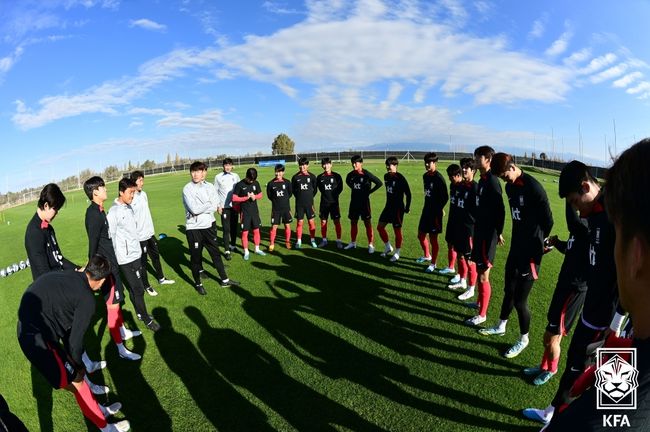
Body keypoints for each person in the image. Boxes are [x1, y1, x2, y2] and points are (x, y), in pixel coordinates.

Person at [545, 139, 650, 430]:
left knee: (579, 367)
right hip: (601, 316)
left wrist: (616, 322)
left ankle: (555, 410)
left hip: (602, 318)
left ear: (635, 254)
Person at [523, 160, 622, 425]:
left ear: (585, 186)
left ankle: (557, 418)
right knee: (578, 371)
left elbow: (629, 275)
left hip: (607, 322)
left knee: (602, 384)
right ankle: (554, 414)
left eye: (575, 201)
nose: (576, 209)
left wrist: (617, 323)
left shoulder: (615, 219)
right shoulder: (595, 219)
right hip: (594, 311)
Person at [17, 255, 130, 432]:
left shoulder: (73, 274)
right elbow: (75, 342)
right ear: (100, 281)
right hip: (37, 341)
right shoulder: (87, 300)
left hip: (33, 329)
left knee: (76, 381)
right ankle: (106, 428)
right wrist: (78, 366)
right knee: (78, 381)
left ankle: (98, 409)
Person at [24, 183, 109, 395]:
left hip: (61, 283)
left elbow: (59, 259)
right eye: (55, 209)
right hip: (51, 299)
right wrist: (70, 282)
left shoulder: (48, 228)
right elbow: (43, 273)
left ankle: (86, 365)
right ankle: (86, 383)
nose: (56, 214)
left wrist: (78, 271)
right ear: (45, 205)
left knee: (76, 335)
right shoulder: (34, 233)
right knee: (71, 346)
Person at [478, 153, 554, 359]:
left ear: (512, 167)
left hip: (531, 254)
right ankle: (501, 325)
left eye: (504, 176)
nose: (504, 180)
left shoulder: (534, 187)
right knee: (508, 290)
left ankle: (524, 339)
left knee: (520, 301)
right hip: (516, 248)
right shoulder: (510, 187)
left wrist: (539, 243)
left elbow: (548, 221)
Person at [522, 202, 588, 386]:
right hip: (564, 284)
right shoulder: (581, 227)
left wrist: (567, 198)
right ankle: (544, 365)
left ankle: (552, 369)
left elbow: (573, 223)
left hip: (574, 290)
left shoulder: (588, 227)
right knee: (550, 335)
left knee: (552, 337)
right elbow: (572, 248)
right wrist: (557, 242)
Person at [84, 177, 142, 361]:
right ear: (95, 192)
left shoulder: (100, 211)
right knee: (113, 306)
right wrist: (92, 270)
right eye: (102, 187)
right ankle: (120, 349)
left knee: (118, 301)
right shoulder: (92, 214)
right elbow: (92, 245)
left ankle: (122, 331)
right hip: (106, 269)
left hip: (113, 264)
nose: (106, 189)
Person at [106, 178, 161, 332]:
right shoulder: (113, 212)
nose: (133, 196)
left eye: (134, 193)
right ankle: (146, 318)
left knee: (134, 289)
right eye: (130, 193)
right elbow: (112, 238)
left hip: (136, 254)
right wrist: (116, 260)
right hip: (125, 259)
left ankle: (139, 312)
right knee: (138, 289)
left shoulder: (129, 207)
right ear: (121, 192)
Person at [182, 161, 240, 295]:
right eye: (193, 171)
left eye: (199, 171)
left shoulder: (209, 186)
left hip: (208, 226)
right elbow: (194, 210)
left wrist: (209, 206)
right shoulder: (187, 189)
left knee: (215, 254)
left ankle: (224, 280)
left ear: (204, 173)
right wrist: (208, 205)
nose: (196, 174)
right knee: (196, 258)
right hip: (194, 228)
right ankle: (198, 283)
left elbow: (215, 205)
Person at [465, 146, 506, 327]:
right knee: (480, 272)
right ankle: (480, 302)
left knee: (483, 276)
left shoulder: (492, 182)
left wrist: (499, 231)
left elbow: (501, 210)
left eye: (478, 156)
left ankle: (482, 315)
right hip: (480, 232)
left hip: (488, 235)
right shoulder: (482, 180)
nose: (474, 159)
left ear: (488, 159)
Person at [130, 170, 175, 297]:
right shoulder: (131, 197)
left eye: (142, 180)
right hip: (140, 236)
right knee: (143, 262)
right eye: (140, 180)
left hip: (149, 233)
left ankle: (161, 278)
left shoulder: (144, 194)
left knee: (155, 256)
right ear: (134, 182)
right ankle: (146, 285)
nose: (142, 183)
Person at [448, 159, 478, 304]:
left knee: (470, 260)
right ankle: (462, 280)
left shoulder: (476, 188)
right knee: (459, 255)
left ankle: (471, 289)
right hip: (458, 227)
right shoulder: (459, 186)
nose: (464, 170)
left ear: (474, 171)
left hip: (469, 230)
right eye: (463, 167)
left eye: (467, 168)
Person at [416, 153, 448, 270]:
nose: (427, 164)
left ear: (435, 163)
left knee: (433, 239)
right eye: (425, 162)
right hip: (426, 210)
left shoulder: (439, 178)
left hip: (435, 213)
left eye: (429, 162)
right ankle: (427, 255)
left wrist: (439, 208)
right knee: (420, 235)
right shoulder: (425, 176)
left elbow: (445, 196)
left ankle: (433, 264)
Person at [376, 156, 412, 262]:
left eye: (390, 165)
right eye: (386, 165)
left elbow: (408, 194)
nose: (387, 167)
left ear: (395, 165)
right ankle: (388, 246)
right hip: (388, 207)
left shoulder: (400, 178)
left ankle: (397, 252)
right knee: (380, 227)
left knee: (397, 231)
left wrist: (407, 207)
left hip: (398, 209)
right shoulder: (386, 176)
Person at [344, 155, 382, 253]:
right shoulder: (350, 175)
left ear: (361, 163)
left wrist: (369, 192)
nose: (354, 165)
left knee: (367, 223)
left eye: (356, 163)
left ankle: (370, 244)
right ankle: (353, 242)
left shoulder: (366, 174)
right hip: (354, 203)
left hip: (364, 203)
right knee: (353, 222)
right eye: (352, 163)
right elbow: (348, 182)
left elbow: (379, 183)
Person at [232, 167, 265, 260]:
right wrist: (245, 198)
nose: (251, 181)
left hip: (255, 212)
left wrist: (255, 196)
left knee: (256, 230)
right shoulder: (239, 185)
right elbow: (234, 198)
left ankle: (257, 249)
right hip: (244, 213)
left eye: (253, 180)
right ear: (246, 176)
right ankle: (246, 251)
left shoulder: (256, 183)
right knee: (245, 233)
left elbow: (260, 194)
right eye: (250, 179)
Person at [436, 164, 462, 276]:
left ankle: (461, 276)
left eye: (452, 176)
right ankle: (451, 267)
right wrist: (441, 208)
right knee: (450, 244)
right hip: (452, 220)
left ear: (458, 175)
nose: (450, 179)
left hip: (461, 223)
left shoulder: (465, 187)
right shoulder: (452, 185)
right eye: (449, 176)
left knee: (461, 250)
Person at [214, 158, 241, 260]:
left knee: (234, 228)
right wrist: (218, 205)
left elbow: (240, 190)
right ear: (223, 166)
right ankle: (226, 250)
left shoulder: (236, 176)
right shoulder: (218, 177)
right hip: (224, 208)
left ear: (232, 166)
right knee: (226, 229)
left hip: (234, 206)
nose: (228, 167)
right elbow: (215, 192)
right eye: (226, 165)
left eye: (229, 165)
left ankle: (233, 246)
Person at [316, 157, 344, 248]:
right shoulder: (320, 177)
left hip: (334, 203)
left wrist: (334, 196)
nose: (326, 166)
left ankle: (339, 241)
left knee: (337, 222)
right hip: (324, 203)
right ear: (322, 166)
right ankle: (324, 240)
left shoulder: (337, 176)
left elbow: (340, 188)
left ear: (331, 164)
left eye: (328, 164)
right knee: (323, 222)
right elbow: (320, 189)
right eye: (324, 164)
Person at [291, 157, 318, 248]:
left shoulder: (312, 176)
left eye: (304, 165)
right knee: (300, 223)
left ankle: (312, 239)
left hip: (309, 204)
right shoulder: (295, 177)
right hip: (299, 204)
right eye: (300, 165)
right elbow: (293, 191)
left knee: (311, 222)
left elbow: (315, 190)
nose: (302, 167)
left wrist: (309, 197)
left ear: (307, 165)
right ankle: (299, 240)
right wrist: (300, 197)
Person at [266, 164, 293, 251]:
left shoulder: (287, 182)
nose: (278, 174)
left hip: (286, 209)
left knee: (287, 226)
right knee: (274, 227)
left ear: (283, 172)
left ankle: (287, 242)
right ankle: (272, 243)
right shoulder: (270, 184)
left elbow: (290, 194)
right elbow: (270, 196)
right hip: (276, 210)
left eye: (280, 172)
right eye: (276, 172)